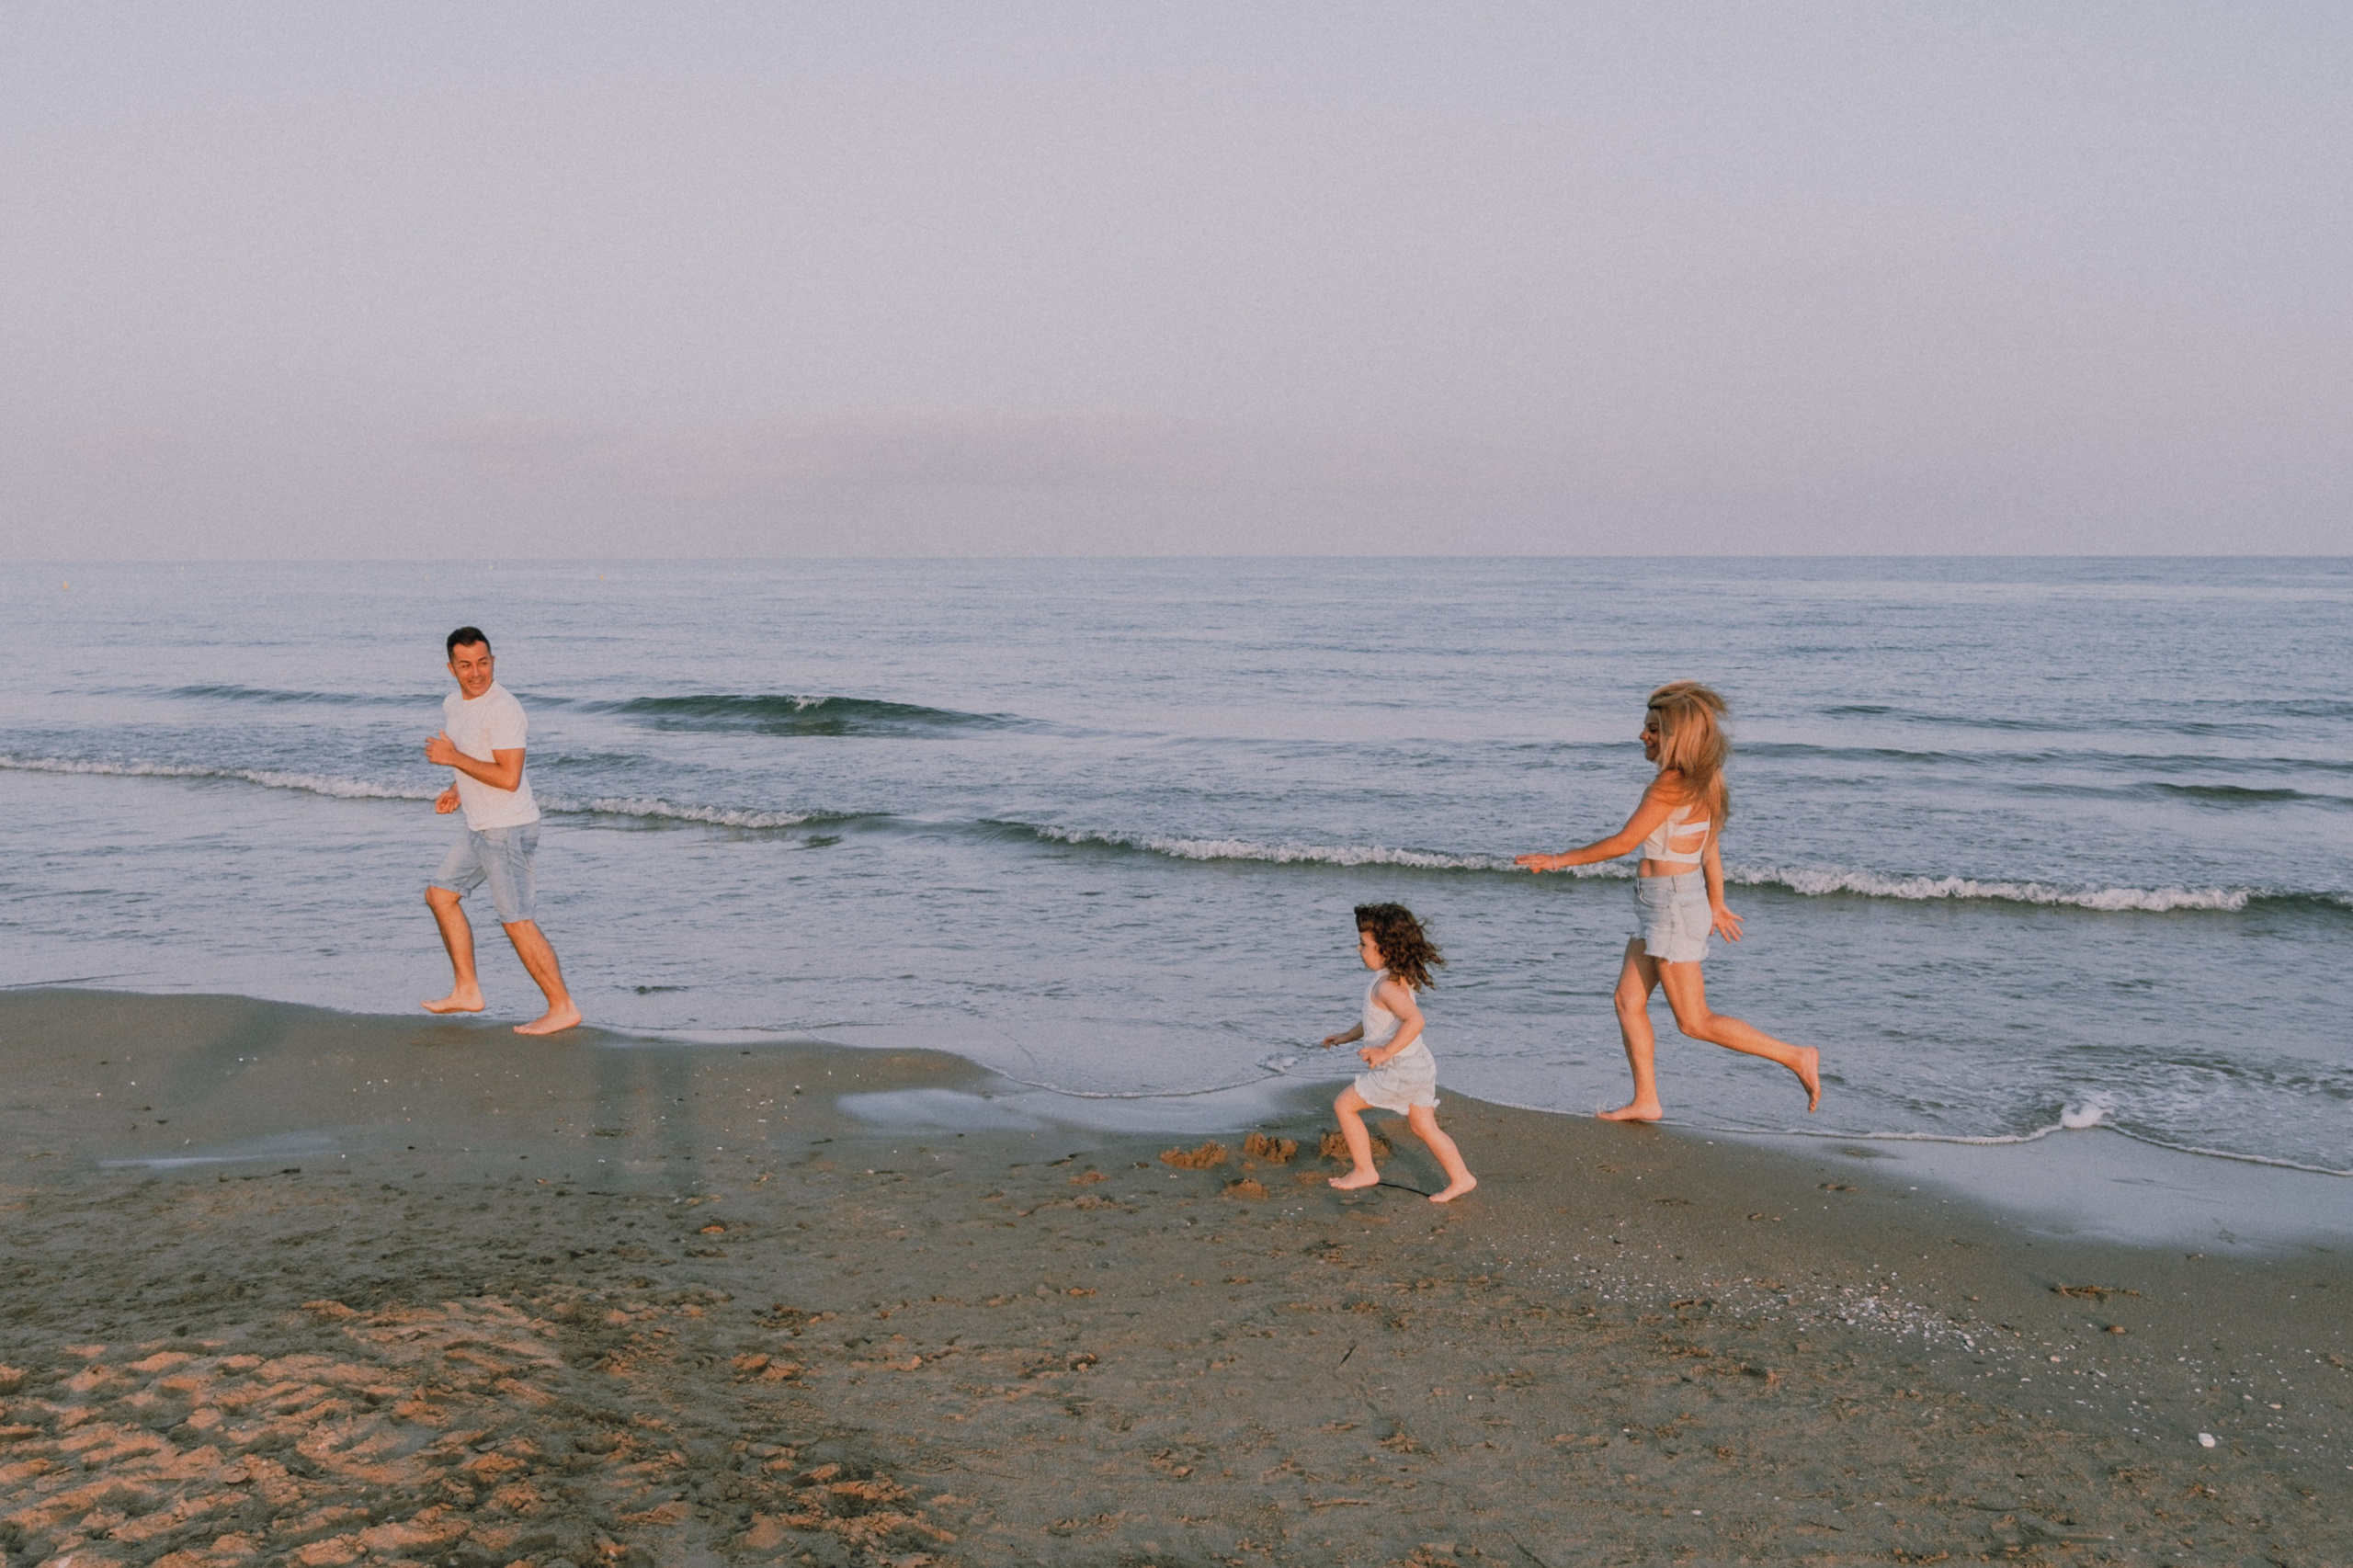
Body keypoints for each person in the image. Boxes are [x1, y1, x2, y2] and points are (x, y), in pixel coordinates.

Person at [1515, 681, 1820, 1120]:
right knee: (1627, 1001)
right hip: (1665, 903)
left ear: (1676, 736)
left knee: (1694, 1021)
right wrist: (1716, 900)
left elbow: (1625, 842)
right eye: (1646, 726)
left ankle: (1795, 1056)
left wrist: (1558, 859)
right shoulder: (1705, 779)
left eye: (1654, 729)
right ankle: (1646, 1100)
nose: (1643, 736)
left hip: (1672, 906)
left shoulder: (1670, 787)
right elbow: (1709, 847)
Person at [421, 626, 581, 1036]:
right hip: (480, 826)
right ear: (451, 668)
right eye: (466, 665)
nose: (477, 673)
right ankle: (467, 990)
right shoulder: (454, 703)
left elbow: (509, 777)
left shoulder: (504, 709)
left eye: (484, 663)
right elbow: (477, 756)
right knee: (440, 896)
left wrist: (452, 757)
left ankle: (562, 1007)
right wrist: (457, 786)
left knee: (517, 921)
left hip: (508, 829)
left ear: (494, 661)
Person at [1319, 903, 1476, 1203]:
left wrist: (1384, 1051)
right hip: (1417, 1065)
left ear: (1386, 950)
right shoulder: (1393, 979)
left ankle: (1365, 1170)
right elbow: (1375, 1020)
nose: (1358, 949)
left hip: (1399, 1068)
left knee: (1344, 1106)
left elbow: (1416, 1020)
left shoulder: (1387, 987)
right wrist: (1346, 1036)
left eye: (1364, 944)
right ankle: (1461, 1177)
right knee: (1423, 1126)